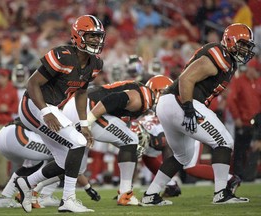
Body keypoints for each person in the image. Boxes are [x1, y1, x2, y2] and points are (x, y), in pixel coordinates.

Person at [141, 23, 255, 205]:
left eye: (247, 46)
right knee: (224, 142)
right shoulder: (220, 54)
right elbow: (187, 78)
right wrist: (187, 108)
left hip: (169, 103)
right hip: (181, 101)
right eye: (242, 44)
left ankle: (150, 195)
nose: (244, 49)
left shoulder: (228, 60)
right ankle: (221, 193)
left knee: (182, 157)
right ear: (230, 41)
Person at [14, 15, 106, 213]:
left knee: (69, 163)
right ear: (78, 35)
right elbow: (32, 84)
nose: (96, 41)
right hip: (33, 105)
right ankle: (68, 200)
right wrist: (46, 112)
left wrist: (84, 124)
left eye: (98, 37)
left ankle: (26, 183)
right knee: (78, 143)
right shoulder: (62, 55)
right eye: (91, 36)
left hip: (50, 108)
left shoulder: (95, 64)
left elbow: (81, 92)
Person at [63, 76, 165, 206]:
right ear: (158, 91)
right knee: (131, 141)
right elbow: (111, 100)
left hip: (77, 104)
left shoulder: (140, 94)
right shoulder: (144, 96)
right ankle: (125, 194)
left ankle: (38, 190)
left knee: (73, 166)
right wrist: (86, 123)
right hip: (88, 108)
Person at [0, 118, 100, 208]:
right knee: (62, 160)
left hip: (5, 134)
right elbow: (71, 166)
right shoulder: (67, 117)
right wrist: (88, 187)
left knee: (35, 164)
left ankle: (7, 198)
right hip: (18, 135)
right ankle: (36, 194)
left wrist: (87, 187)